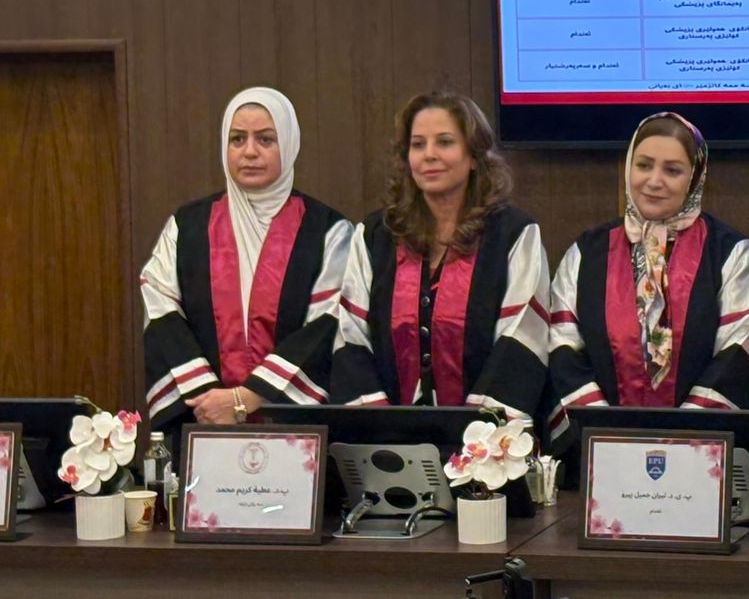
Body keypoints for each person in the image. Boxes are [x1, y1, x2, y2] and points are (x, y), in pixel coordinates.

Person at [537, 112, 749, 448]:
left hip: (698, 452)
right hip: (597, 448)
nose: (654, 181)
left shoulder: (730, 252)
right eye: (643, 165)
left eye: (672, 170)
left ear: (695, 176)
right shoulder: (586, 252)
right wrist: (606, 434)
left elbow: (738, 350)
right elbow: (562, 345)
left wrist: (681, 436)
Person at [141, 88, 353, 428]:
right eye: (237, 139)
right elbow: (161, 308)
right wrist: (211, 400)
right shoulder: (187, 226)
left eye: (265, 139)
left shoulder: (329, 231)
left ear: (289, 144)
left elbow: (328, 323)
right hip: (204, 419)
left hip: (293, 426)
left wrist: (248, 397)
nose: (249, 152)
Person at [330, 90, 549, 416]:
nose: (429, 155)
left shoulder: (513, 235)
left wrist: (478, 433)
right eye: (418, 145)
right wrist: (380, 424)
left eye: (444, 142)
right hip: (387, 434)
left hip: (485, 437)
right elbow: (351, 337)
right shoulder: (377, 235)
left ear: (474, 156)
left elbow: (521, 340)